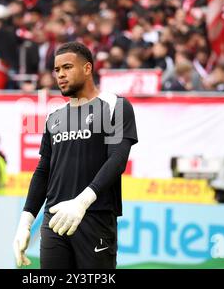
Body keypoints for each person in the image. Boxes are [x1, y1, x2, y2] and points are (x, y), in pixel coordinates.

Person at [12, 42, 138, 269]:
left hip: (95, 217)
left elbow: (117, 160)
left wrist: (82, 202)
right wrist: (26, 221)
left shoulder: (115, 105)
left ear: (88, 68)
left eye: (67, 67)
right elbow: (44, 170)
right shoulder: (54, 117)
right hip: (55, 220)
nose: (60, 75)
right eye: (57, 70)